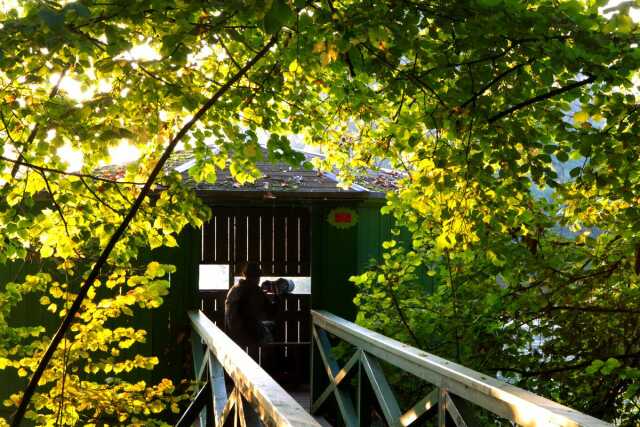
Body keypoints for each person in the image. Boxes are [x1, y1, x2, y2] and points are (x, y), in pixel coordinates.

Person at [224, 261, 279, 348]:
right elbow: (271, 312)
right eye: (258, 277)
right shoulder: (254, 290)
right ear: (257, 277)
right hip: (246, 334)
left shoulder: (234, 289)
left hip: (231, 333)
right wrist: (276, 294)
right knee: (271, 330)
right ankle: (269, 359)